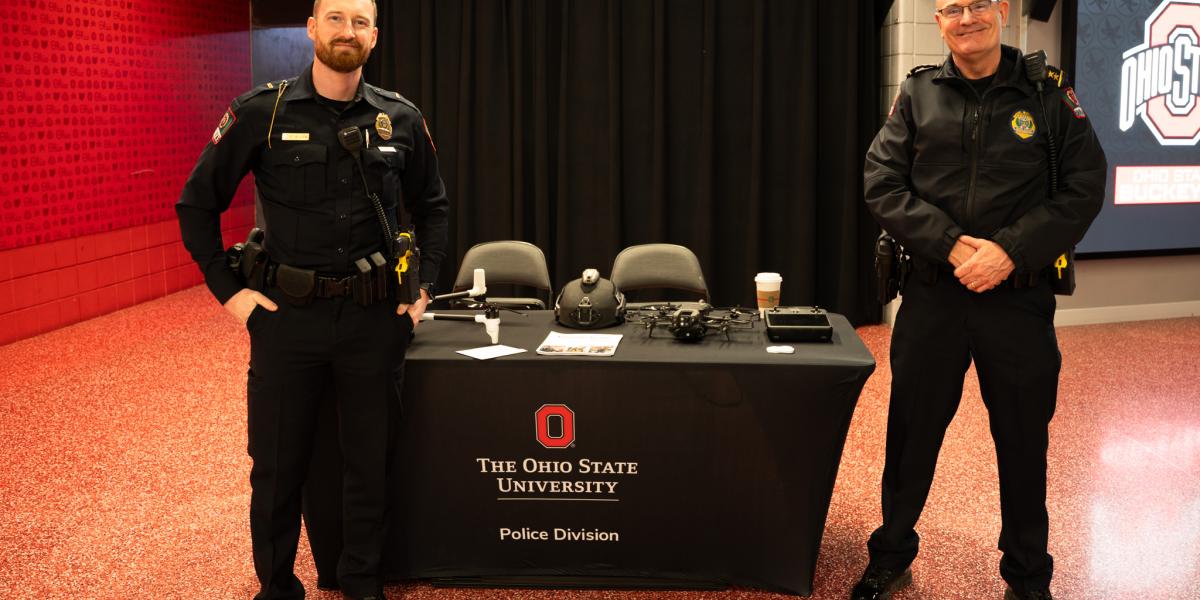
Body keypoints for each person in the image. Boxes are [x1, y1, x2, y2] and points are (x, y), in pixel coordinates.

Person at [176, 0, 449, 597]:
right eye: (335, 18)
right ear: (312, 29)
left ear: (374, 36)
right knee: (276, 467)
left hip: (374, 321)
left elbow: (433, 209)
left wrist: (421, 289)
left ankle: (360, 582)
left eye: (359, 21)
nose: (346, 31)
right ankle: (275, 585)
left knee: (369, 463)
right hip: (286, 321)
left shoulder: (398, 118)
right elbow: (196, 205)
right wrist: (232, 295)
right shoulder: (262, 112)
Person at [855, 0, 1106, 599]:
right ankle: (891, 553)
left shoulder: (1047, 93)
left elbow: (1084, 185)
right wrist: (950, 247)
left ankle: (1027, 574)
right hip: (933, 296)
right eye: (950, 9)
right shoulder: (918, 94)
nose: (965, 18)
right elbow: (880, 181)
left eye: (976, 4)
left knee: (1023, 440)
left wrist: (1009, 252)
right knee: (911, 433)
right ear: (939, 22)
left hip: (1017, 301)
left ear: (1000, 11)